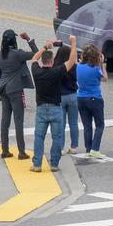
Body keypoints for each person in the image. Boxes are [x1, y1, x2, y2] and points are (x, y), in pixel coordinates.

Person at [30, 39, 75, 171]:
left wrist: (45, 46)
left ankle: (37, 164)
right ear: (52, 61)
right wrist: (73, 43)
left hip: (41, 108)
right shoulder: (57, 72)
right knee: (57, 137)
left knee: (39, 136)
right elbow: (72, 61)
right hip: (56, 108)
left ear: (43, 61)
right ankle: (54, 163)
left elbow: (33, 59)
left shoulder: (36, 72)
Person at [0, 31, 36, 158]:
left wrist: (0, 90)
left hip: (3, 88)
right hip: (16, 89)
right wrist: (29, 40)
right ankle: (21, 152)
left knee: (5, 120)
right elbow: (36, 54)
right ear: (14, 41)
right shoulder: (18, 54)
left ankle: (5, 150)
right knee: (18, 121)